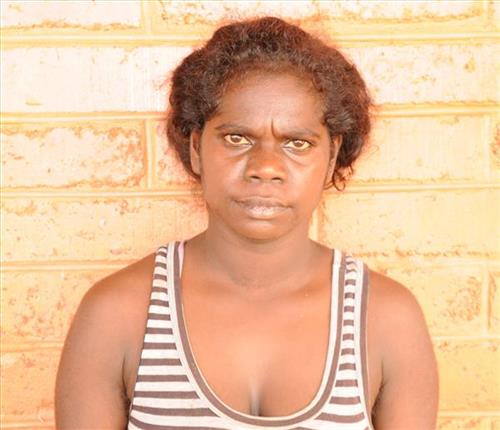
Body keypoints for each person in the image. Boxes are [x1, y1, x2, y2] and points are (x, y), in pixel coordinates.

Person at [55, 16, 438, 430]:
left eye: (297, 143)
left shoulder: (387, 318)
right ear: (196, 147)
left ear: (330, 158)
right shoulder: (117, 313)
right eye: (237, 138)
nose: (265, 167)